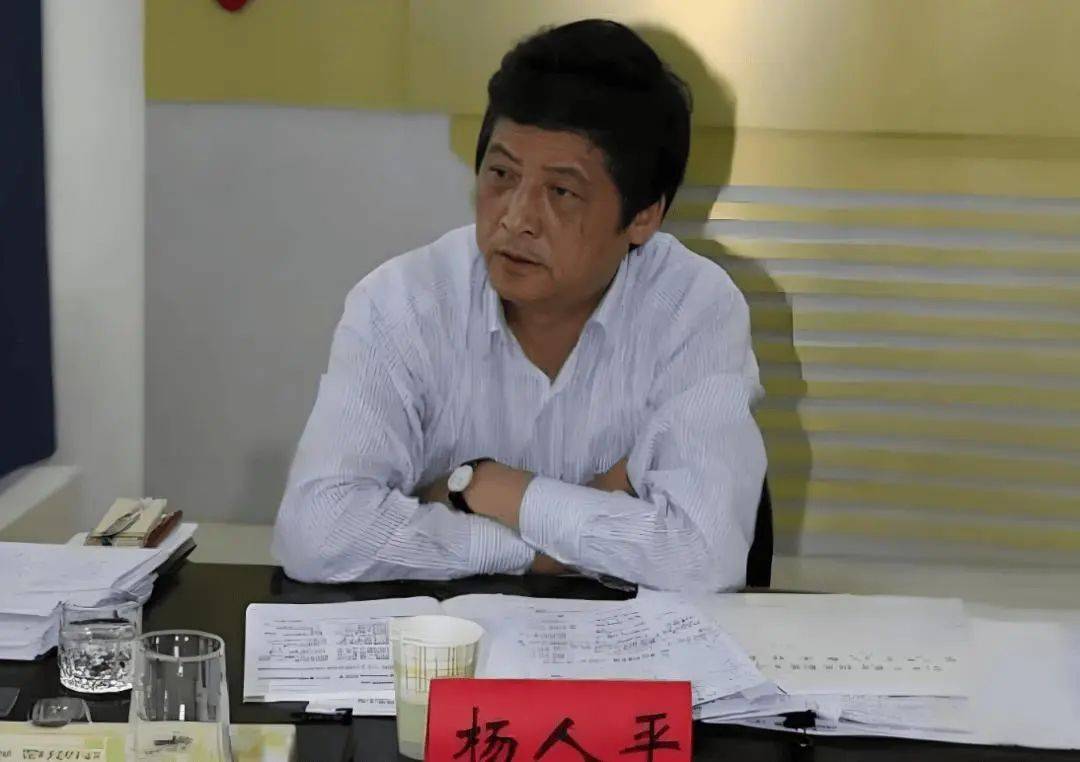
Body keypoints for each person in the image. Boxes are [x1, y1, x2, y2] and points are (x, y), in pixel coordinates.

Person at [272, 19, 766, 590]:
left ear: (643, 216)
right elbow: (317, 534)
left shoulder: (693, 310)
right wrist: (547, 545)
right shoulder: (402, 303)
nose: (515, 218)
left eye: (561, 192)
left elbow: (704, 556)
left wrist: (485, 488)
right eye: (501, 175)